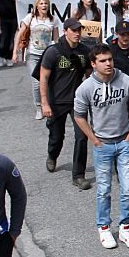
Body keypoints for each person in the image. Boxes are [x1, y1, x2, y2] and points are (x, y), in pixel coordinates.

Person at [74, 44, 129, 250]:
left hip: (124, 143)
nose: (108, 64)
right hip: (102, 145)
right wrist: (94, 139)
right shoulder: (86, 88)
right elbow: (79, 116)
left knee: (127, 188)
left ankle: (125, 228)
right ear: (93, 64)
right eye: (103, 61)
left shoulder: (126, 81)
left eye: (110, 59)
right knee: (103, 189)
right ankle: (104, 228)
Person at [38, 18, 92, 190]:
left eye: (79, 30)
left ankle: (78, 175)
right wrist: (44, 103)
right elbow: (43, 78)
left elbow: (89, 76)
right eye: (74, 30)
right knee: (56, 136)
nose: (77, 33)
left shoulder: (85, 51)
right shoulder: (53, 52)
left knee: (82, 137)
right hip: (56, 102)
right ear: (65, 31)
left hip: (77, 102)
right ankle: (52, 155)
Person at [14, 0, 58, 120]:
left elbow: (56, 39)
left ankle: (47, 105)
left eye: (46, 4)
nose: (44, 6)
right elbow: (20, 34)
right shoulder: (30, 18)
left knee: (49, 81)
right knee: (37, 82)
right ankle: (39, 107)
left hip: (47, 54)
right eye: (41, 4)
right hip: (33, 54)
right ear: (37, 6)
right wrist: (15, 52)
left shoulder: (53, 20)